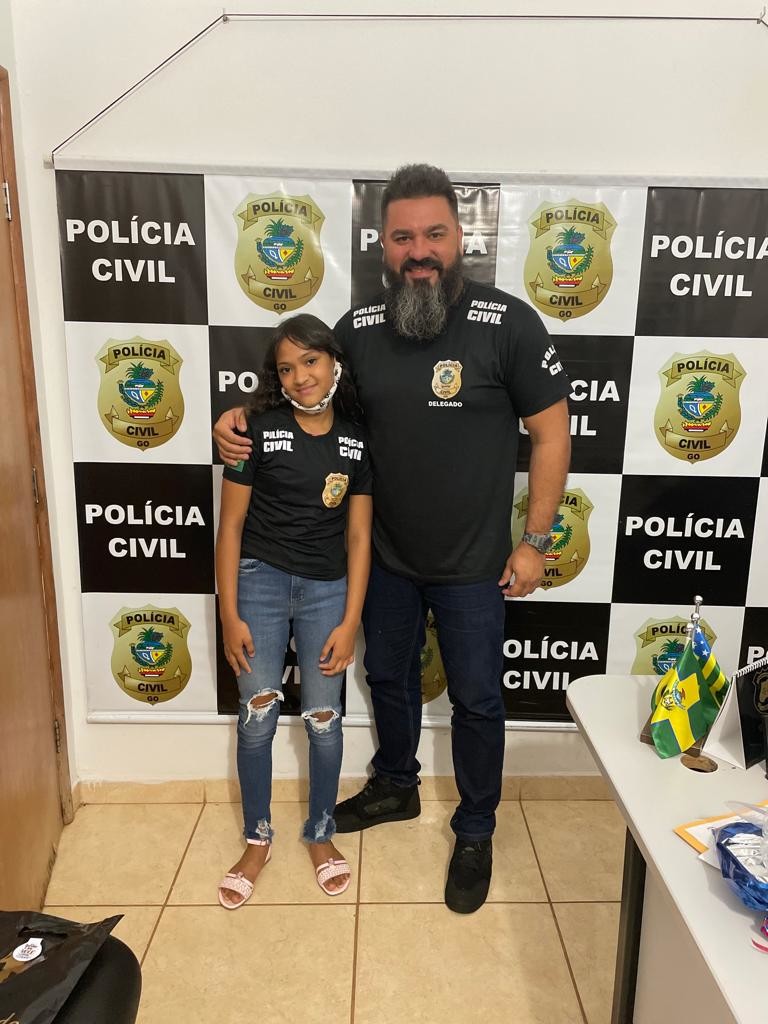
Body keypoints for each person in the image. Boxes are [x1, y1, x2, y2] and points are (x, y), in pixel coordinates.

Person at [214, 164, 571, 914]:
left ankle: (476, 828)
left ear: (460, 237)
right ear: (383, 245)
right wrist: (241, 417)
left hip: (475, 565)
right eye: (403, 237)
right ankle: (396, 785)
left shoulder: (509, 323)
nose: (419, 250)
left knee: (478, 700)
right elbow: (307, 406)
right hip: (383, 560)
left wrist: (536, 540)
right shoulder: (359, 330)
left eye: (434, 234)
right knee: (388, 680)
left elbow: (551, 434)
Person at [215, 313, 372, 908]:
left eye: (310, 361)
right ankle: (257, 840)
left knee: (324, 721)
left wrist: (350, 620)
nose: (301, 376)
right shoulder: (253, 430)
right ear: (275, 377)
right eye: (286, 368)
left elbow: (359, 537)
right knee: (256, 719)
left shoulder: (357, 440)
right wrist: (229, 613)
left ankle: (321, 833)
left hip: (328, 592)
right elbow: (230, 527)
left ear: (334, 363)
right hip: (258, 586)